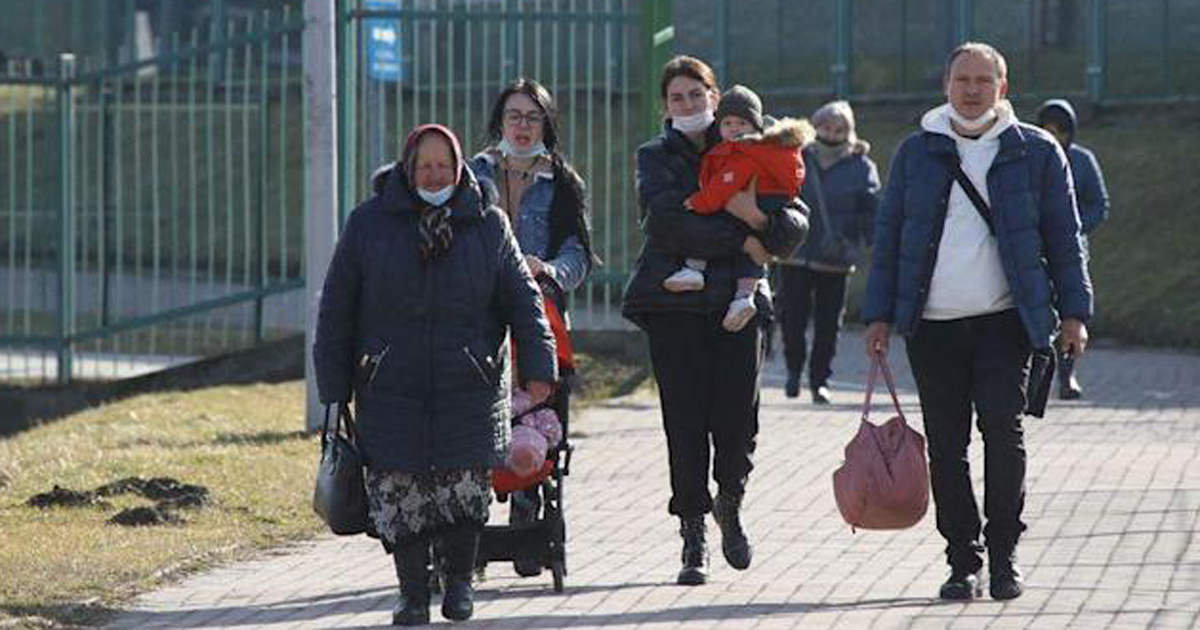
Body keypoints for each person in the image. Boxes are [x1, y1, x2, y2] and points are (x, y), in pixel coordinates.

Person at [862, 42, 1092, 602]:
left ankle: (1006, 554)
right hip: (932, 323)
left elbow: (1065, 238)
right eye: (962, 79)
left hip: (1004, 321)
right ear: (946, 85)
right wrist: (877, 316)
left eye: (983, 81)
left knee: (1004, 433)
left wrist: (1075, 312)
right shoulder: (917, 152)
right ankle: (962, 559)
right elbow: (889, 237)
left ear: (1002, 88)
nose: (971, 90)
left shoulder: (1036, 152)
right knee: (945, 444)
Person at [313, 124, 557, 625]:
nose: (434, 175)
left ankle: (461, 583)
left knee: (463, 489)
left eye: (444, 165)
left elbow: (523, 300)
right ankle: (411, 593)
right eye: (424, 166)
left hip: (469, 383)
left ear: (460, 167)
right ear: (407, 168)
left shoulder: (488, 225)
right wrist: (334, 384)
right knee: (401, 496)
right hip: (389, 384)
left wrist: (538, 366)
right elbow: (337, 305)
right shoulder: (369, 224)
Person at [622, 55, 808, 586]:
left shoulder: (755, 139)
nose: (688, 105)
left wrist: (763, 223)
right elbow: (664, 223)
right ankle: (692, 534)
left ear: (715, 95)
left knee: (737, 420)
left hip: (739, 306)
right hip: (674, 306)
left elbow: (794, 217)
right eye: (677, 97)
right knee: (684, 422)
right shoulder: (655, 155)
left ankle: (731, 501)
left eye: (696, 95)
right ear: (665, 105)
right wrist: (749, 236)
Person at [469, 77, 596, 577]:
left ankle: (528, 510)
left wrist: (550, 268)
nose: (522, 127)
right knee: (474, 414)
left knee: (537, 409)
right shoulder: (473, 174)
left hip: (541, 320)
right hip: (477, 320)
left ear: (547, 123)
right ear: (500, 122)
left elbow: (580, 252)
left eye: (533, 117)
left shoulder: (563, 181)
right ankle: (468, 527)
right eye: (514, 116)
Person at [665, 84, 808, 333]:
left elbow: (724, 184)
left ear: (755, 126)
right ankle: (743, 297)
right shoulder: (765, 150)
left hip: (756, 203)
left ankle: (695, 269)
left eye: (741, 123)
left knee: (710, 219)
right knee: (750, 249)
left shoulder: (746, 151)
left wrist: (700, 201)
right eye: (728, 123)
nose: (734, 129)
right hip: (763, 207)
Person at [778, 100, 880, 403]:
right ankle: (794, 371)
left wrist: (875, 243)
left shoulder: (861, 166)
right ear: (815, 126)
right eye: (825, 126)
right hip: (795, 252)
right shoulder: (798, 156)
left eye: (839, 129)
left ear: (849, 132)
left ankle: (819, 380)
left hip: (836, 258)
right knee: (791, 319)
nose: (832, 133)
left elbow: (871, 208)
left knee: (828, 326)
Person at [1036, 98, 1110, 400]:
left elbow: (1098, 203)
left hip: (1070, 250)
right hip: (1035, 250)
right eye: (1047, 130)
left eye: (1061, 131)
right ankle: (1037, 376)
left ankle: (1066, 376)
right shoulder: (1031, 158)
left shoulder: (1082, 161)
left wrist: (1075, 228)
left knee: (1070, 311)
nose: (1055, 137)